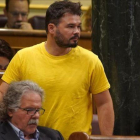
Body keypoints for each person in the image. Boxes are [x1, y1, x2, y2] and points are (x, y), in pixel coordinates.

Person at [0, 1, 114, 140]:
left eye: (78, 26)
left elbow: (104, 103)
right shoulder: (24, 57)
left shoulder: (91, 60)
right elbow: (3, 96)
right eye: (71, 26)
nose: (77, 31)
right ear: (52, 28)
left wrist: (107, 138)